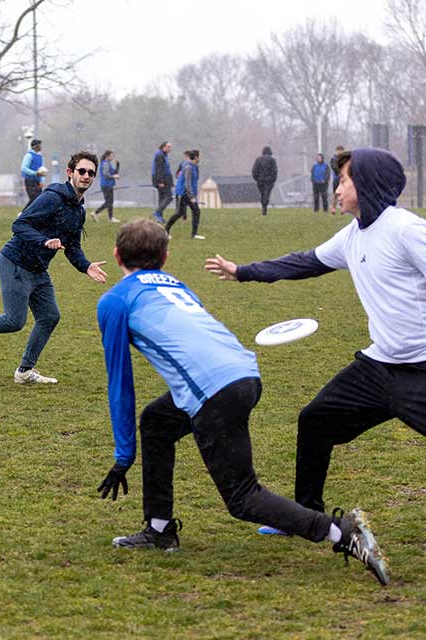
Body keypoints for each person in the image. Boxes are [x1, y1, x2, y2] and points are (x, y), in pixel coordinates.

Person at [203, 147, 426, 570]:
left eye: (344, 180)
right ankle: (303, 515)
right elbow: (305, 263)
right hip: (380, 367)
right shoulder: (354, 234)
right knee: (315, 420)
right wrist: (242, 271)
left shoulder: (406, 231)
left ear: (369, 186)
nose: (337, 188)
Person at [96, 218, 390, 586]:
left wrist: (124, 457)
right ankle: (159, 529)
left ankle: (340, 532)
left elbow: (119, 383)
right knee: (157, 422)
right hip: (244, 373)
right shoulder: (178, 286)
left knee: (243, 498)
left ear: (117, 255)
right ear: (166, 258)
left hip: (214, 391)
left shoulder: (114, 301)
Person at [0, 151, 108, 384]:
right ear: (70, 173)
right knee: (14, 321)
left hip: (38, 269)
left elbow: (72, 247)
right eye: (82, 171)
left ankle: (25, 371)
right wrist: (43, 240)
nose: (86, 176)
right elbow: (19, 225)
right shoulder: (52, 197)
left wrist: (86, 266)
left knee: (49, 316)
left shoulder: (78, 210)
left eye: (91, 173)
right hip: (15, 261)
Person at [165, 149, 204, 240]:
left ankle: (194, 235)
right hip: (183, 193)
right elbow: (187, 183)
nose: (200, 158)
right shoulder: (188, 167)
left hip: (188, 193)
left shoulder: (193, 166)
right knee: (179, 213)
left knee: (196, 211)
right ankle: (166, 231)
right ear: (196, 157)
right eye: (199, 156)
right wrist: (191, 196)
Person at [91, 150, 121, 223]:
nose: (112, 157)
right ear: (107, 156)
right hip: (106, 185)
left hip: (108, 185)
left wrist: (117, 165)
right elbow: (106, 174)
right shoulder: (105, 164)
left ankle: (99, 214)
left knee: (109, 202)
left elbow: (115, 172)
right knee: (109, 202)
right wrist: (114, 176)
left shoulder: (108, 164)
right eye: (111, 156)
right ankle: (98, 214)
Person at [151, 141, 174, 224]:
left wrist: (171, 181)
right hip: (162, 179)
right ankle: (157, 212)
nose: (170, 149)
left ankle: (159, 217)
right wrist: (160, 181)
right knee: (169, 197)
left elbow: (166, 169)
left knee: (162, 198)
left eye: (170, 147)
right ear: (163, 146)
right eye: (168, 147)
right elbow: (159, 169)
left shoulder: (163, 155)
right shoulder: (159, 155)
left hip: (165, 179)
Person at [251, 146, 278, 216]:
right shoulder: (272, 160)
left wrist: (256, 178)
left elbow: (254, 170)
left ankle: (263, 206)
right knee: (267, 194)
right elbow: (275, 171)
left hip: (260, 181)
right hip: (269, 181)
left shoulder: (258, 159)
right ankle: (265, 208)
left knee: (263, 194)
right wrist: (273, 180)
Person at [21, 139, 47, 204]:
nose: (41, 147)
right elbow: (24, 168)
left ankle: (29, 213)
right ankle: (24, 213)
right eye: (39, 145)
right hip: (29, 180)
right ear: (35, 146)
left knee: (38, 199)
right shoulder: (29, 156)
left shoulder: (40, 157)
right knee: (34, 198)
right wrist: (35, 173)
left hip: (37, 181)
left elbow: (41, 169)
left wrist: (42, 181)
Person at [328, 145, 345, 214]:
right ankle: (333, 208)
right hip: (336, 179)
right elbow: (334, 167)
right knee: (335, 194)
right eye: (338, 150)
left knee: (343, 194)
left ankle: (342, 209)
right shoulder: (333, 159)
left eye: (341, 150)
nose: (340, 152)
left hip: (343, 179)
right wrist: (339, 172)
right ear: (336, 151)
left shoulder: (344, 159)